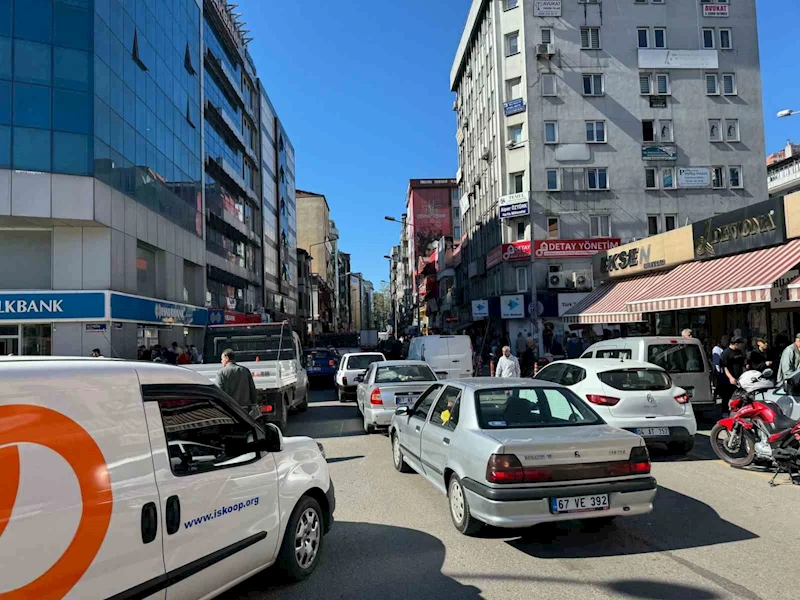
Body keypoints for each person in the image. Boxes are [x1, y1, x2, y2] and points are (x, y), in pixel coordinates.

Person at [217, 348, 259, 414]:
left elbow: (219, 392)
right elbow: (252, 390)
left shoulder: (221, 373)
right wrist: (254, 404)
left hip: (229, 409)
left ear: (227, 358)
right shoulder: (245, 370)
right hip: (245, 409)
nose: (221, 361)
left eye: (222, 359)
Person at [719, 336, 746, 403]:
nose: (742, 345)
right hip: (729, 378)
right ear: (736, 344)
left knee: (740, 395)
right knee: (727, 396)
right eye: (741, 344)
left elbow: (742, 363)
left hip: (739, 377)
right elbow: (724, 367)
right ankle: (725, 412)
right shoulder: (726, 353)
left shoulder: (739, 351)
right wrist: (731, 378)